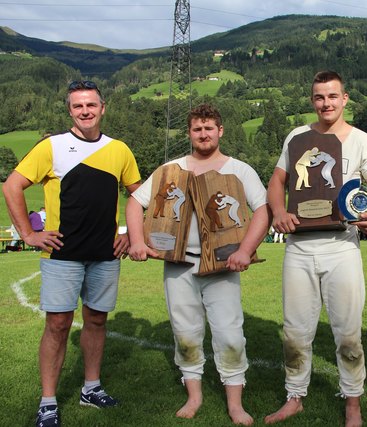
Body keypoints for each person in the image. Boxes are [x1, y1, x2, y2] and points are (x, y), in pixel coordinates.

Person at [2, 80, 141, 427]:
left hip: (105, 254)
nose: (85, 111)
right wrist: (28, 233)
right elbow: (12, 185)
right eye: (78, 106)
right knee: (58, 324)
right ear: (70, 110)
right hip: (62, 254)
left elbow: (140, 195)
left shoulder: (120, 150)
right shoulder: (52, 146)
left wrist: (129, 234)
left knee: (96, 320)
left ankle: (90, 388)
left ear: (103, 108)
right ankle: (48, 401)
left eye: (91, 105)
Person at [126, 104, 269, 425]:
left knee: (230, 334)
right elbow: (136, 202)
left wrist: (246, 250)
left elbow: (263, 210)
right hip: (178, 263)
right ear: (189, 133)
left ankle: (235, 404)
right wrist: (137, 241)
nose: (203, 134)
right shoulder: (171, 169)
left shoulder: (239, 170)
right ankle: (194, 396)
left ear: (220, 131)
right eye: (196, 129)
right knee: (185, 333)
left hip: (222, 265)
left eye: (209, 128)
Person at [264, 70, 367, 427]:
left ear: (345, 98)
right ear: (312, 100)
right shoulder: (297, 136)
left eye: (332, 96)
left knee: (348, 332)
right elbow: (277, 183)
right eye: (319, 97)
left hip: (342, 246)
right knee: (294, 331)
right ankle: (294, 396)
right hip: (299, 248)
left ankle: (352, 402)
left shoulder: (363, 140)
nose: (326, 103)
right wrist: (278, 211)